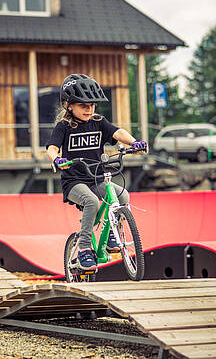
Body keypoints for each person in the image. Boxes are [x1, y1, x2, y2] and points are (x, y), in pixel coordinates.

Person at [46, 74, 147, 271]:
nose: (89, 109)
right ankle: (84, 248)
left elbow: (117, 133)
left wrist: (134, 142)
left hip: (96, 178)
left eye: (92, 105)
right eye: (83, 105)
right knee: (91, 201)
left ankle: (112, 235)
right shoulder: (64, 127)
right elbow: (52, 147)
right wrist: (57, 160)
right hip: (74, 182)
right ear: (69, 105)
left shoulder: (99, 122)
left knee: (122, 195)